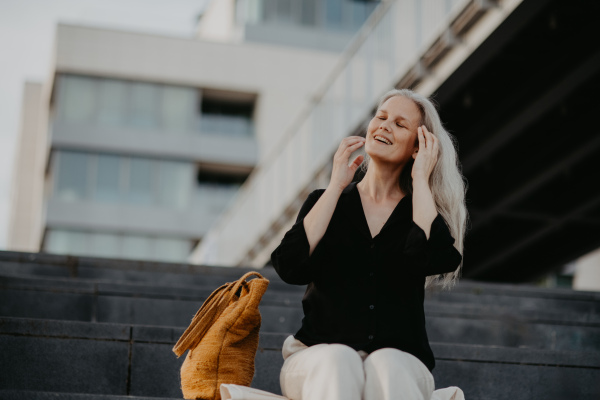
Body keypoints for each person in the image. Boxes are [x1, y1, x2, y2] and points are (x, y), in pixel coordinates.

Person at [270, 88, 468, 400]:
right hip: (315, 359)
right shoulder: (325, 201)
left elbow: (438, 258)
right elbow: (289, 265)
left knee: (386, 362)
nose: (385, 126)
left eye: (400, 124)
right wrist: (336, 185)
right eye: (381, 117)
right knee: (338, 358)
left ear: (418, 147)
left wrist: (420, 181)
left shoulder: (420, 211)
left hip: (401, 364)